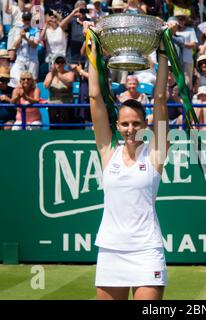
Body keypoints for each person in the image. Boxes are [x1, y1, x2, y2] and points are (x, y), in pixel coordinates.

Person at [88, 30, 170, 300]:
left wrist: (163, 51)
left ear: (145, 125)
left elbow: (159, 100)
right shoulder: (107, 151)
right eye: (124, 123)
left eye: (136, 123)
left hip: (147, 251)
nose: (130, 128)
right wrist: (94, 50)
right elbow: (95, 99)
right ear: (117, 125)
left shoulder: (156, 152)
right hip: (111, 250)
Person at [43, 54, 75, 129]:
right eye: (58, 62)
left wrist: (57, 74)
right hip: (53, 104)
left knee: (65, 127)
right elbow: (46, 86)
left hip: (66, 104)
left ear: (64, 64)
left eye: (62, 62)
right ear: (54, 64)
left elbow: (69, 82)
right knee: (54, 126)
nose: (60, 64)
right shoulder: (49, 74)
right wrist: (52, 76)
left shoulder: (69, 73)